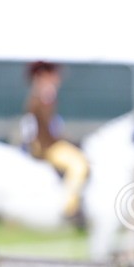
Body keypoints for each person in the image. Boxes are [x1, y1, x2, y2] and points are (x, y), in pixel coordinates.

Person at [20, 61, 89, 222]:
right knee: (78, 165)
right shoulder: (41, 98)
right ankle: (70, 208)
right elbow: (44, 130)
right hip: (47, 146)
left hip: (49, 144)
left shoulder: (42, 97)